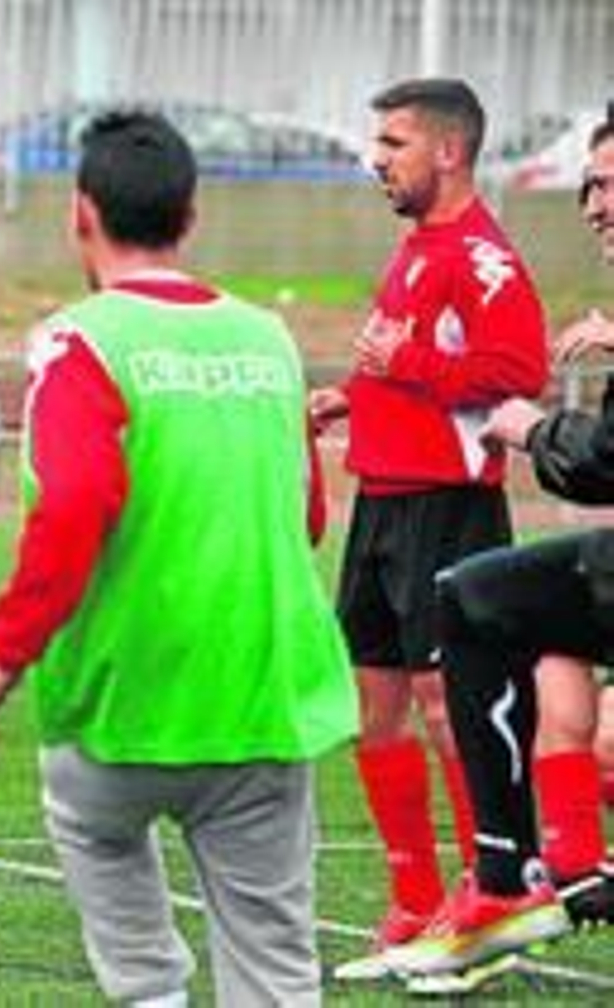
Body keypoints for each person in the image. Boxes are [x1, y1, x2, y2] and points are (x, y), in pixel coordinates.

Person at [0, 110, 356, 1007]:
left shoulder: (78, 339)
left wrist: (1, 663)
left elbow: (74, 507)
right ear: (192, 214)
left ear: (80, 214)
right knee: (276, 970)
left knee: (125, 923)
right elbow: (309, 517)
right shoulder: (268, 341)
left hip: (121, 696)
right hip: (259, 694)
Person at [307, 78, 550, 959]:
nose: (379, 160)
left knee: (454, 708)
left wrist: (403, 362)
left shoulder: (483, 257)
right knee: (374, 707)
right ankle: (412, 901)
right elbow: (412, 367)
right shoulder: (417, 249)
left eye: (395, 143)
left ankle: (489, 885)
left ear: (448, 151)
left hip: (450, 509)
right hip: (382, 500)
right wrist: (355, 398)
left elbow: (521, 375)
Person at [394, 110, 614, 975]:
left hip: (452, 500)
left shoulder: (478, 261)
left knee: (476, 599)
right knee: (541, 633)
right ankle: (560, 865)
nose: (596, 205)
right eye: (590, 186)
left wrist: (530, 429)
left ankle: (511, 874)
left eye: (611, 184)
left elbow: (602, 461)